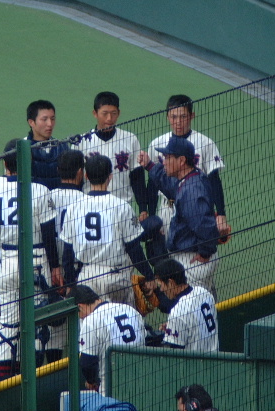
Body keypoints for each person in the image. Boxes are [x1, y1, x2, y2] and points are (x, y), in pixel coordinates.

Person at [0, 139, 62, 381]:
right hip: (36, 262)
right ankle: (30, 382)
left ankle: (3, 381)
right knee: (36, 327)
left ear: (5, 164)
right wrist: (55, 267)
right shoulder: (40, 191)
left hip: (6, 262)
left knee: (7, 326)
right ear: (29, 163)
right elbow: (48, 234)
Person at [60, 154, 155, 307]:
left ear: (86, 176)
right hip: (115, 279)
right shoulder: (121, 207)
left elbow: (67, 254)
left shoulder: (74, 208)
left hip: (87, 277)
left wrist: (70, 284)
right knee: (121, 317)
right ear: (110, 177)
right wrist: (149, 275)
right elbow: (134, 249)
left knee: (91, 320)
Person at [138, 136, 220, 294]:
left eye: (168, 157)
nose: (164, 162)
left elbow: (204, 226)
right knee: (204, 299)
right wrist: (149, 166)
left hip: (192, 259)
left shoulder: (192, 191)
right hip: (193, 256)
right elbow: (170, 185)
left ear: (181, 161)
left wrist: (205, 252)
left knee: (189, 304)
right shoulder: (190, 179)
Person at [147, 94, 229, 237]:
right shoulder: (157, 144)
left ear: (192, 116)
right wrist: (152, 215)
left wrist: (221, 214)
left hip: (196, 207)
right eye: (173, 117)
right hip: (166, 208)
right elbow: (153, 183)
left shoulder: (205, 143)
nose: (178, 122)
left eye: (183, 117)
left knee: (196, 245)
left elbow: (214, 181)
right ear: (167, 117)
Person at [74, 91, 147, 217]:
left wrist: (143, 208)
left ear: (119, 113)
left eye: (113, 113)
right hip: (90, 207)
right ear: (95, 113)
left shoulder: (130, 139)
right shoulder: (81, 142)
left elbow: (137, 177)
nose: (109, 118)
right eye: (105, 113)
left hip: (122, 208)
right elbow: (77, 180)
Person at [47, 149, 86, 363]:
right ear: (80, 172)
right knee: (82, 323)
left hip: (51, 266)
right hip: (77, 268)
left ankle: (51, 371)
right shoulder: (85, 200)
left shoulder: (48, 196)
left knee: (55, 325)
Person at [73, 284, 145, 395]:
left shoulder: (91, 321)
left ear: (80, 306)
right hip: (141, 379)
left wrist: (91, 381)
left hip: (111, 387)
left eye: (78, 314)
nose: (80, 317)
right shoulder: (129, 309)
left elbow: (87, 363)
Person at [155, 258, 218, 351]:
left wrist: (176, 323)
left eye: (161, 285)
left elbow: (174, 353)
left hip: (195, 360)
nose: (161, 289)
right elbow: (198, 323)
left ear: (171, 282)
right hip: (216, 355)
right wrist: (174, 326)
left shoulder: (178, 312)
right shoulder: (204, 293)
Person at [26, 99, 70, 190]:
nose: (50, 124)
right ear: (31, 122)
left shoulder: (63, 147)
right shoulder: (22, 150)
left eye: (52, 119)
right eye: (44, 119)